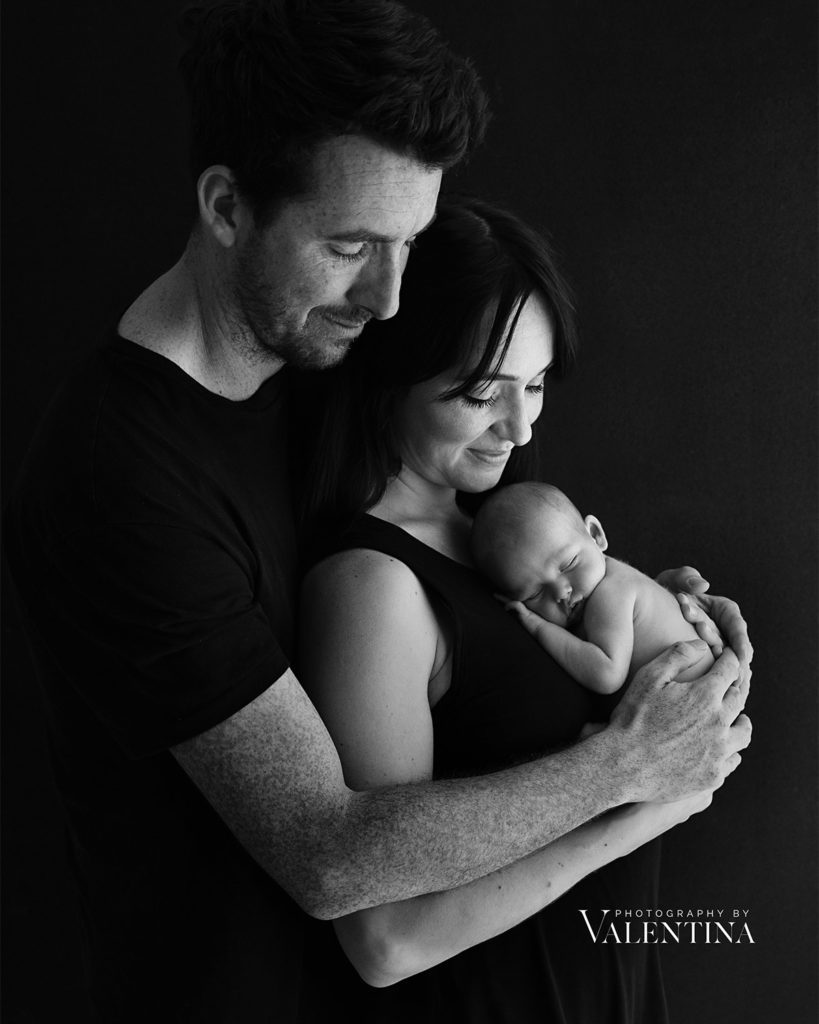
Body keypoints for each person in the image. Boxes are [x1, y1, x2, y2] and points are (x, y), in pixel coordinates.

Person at [3, 2, 750, 1021]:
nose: (393, 298)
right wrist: (631, 763)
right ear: (227, 207)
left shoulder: (317, 361)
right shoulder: (122, 474)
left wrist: (613, 605)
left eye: (408, 241)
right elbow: (328, 855)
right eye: (352, 245)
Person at [297, 195, 750, 1021]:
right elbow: (385, 939)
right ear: (391, 373)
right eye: (480, 393)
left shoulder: (506, 540)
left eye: (535, 383)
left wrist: (674, 626)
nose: (518, 424)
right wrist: (652, 796)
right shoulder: (372, 584)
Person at [472, 481, 716, 693]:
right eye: (535, 594)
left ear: (596, 535)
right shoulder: (607, 580)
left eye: (568, 564)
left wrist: (538, 627)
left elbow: (606, 675)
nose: (560, 592)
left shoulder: (610, 592)